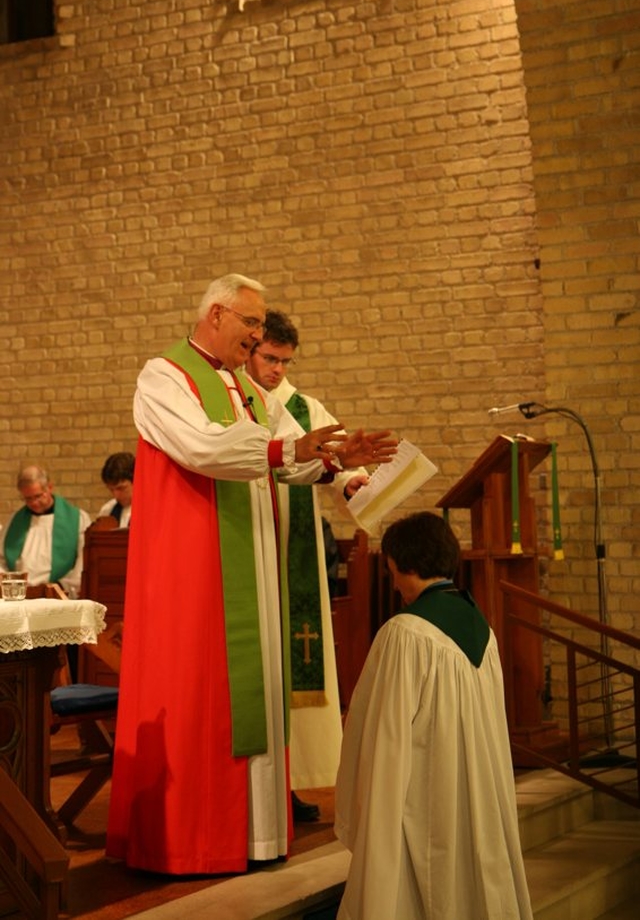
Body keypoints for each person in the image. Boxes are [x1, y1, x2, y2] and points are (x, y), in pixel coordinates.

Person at [105, 272, 397, 876]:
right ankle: (193, 840)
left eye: (261, 325)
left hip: (256, 566)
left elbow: (290, 451)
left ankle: (254, 836)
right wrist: (285, 451)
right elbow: (203, 447)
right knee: (203, 694)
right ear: (216, 314)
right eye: (251, 322)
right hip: (198, 570)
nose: (258, 333)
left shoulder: (244, 387)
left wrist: (337, 457)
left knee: (257, 696)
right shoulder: (164, 375)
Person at [334, 511, 533, 920]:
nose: (393, 584)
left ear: (408, 565)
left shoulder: (406, 633)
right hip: (477, 790)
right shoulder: (483, 628)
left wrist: (372, 811)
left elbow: (382, 735)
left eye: (392, 572)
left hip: (426, 797)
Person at [246, 309, 369, 822]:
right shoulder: (231, 401)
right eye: (269, 358)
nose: (276, 370)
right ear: (250, 350)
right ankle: (251, 783)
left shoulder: (304, 406)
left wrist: (353, 480)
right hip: (245, 543)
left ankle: (291, 782)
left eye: (284, 361)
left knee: (295, 660)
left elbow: (336, 459)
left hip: (293, 546)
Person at [0, 464, 91, 599]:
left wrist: (60, 587)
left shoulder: (77, 518)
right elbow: (1, 558)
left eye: (38, 496)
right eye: (28, 498)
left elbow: (82, 563)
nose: (34, 503)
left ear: (49, 487)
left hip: (57, 595)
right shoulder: (15, 520)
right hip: (20, 596)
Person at [96, 451, 135, 527]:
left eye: (121, 488)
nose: (116, 495)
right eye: (111, 490)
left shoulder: (153, 510)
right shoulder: (107, 511)